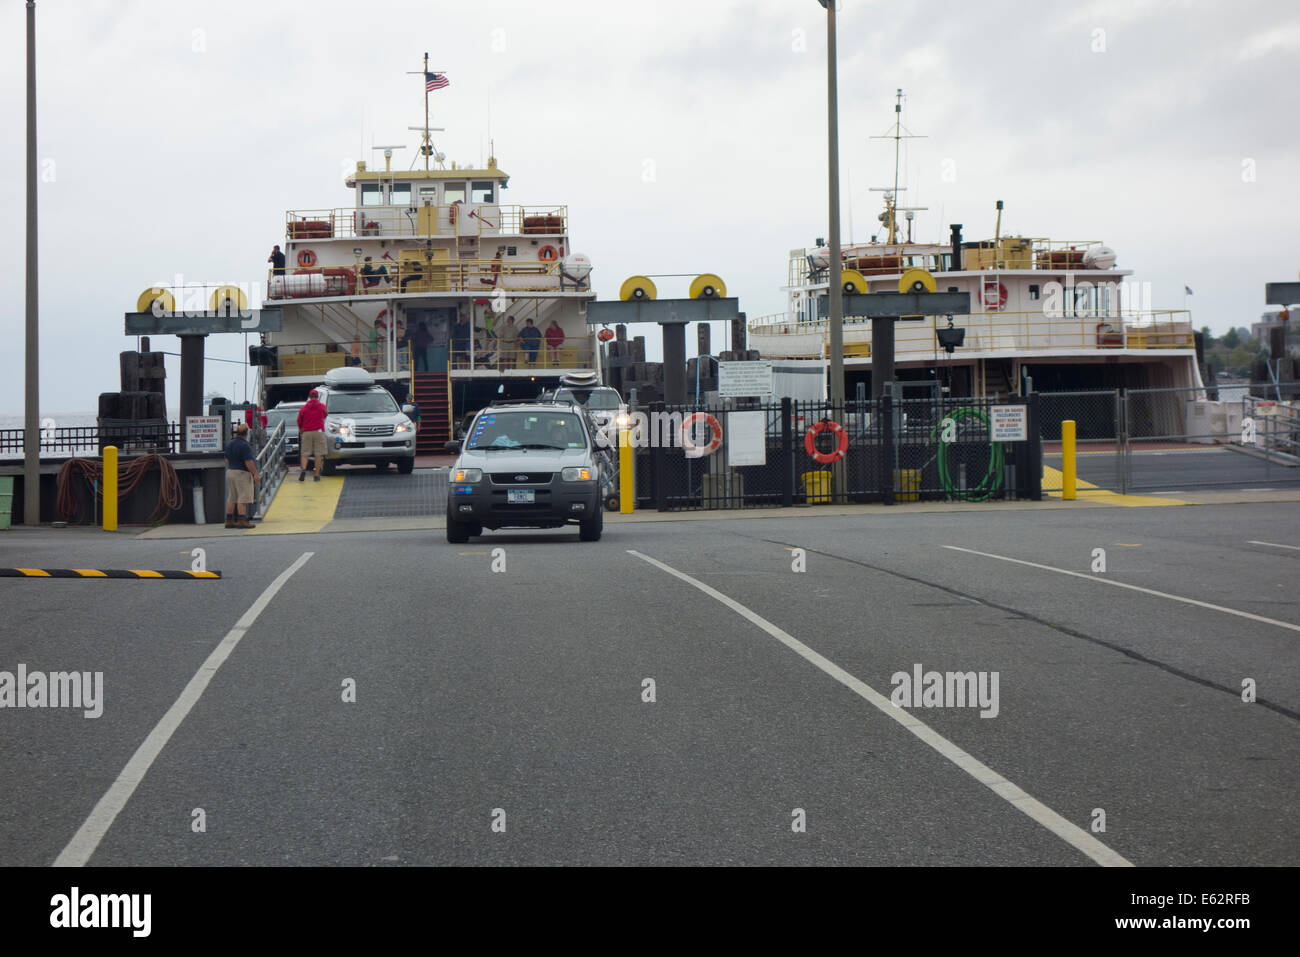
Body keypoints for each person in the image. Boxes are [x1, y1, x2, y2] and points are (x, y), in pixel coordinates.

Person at [224, 423, 260, 528]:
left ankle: (229, 520)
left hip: (231, 471)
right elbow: (248, 461)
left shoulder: (230, 444)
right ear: (246, 433)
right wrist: (255, 474)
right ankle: (242, 520)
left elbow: (226, 459)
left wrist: (232, 466)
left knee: (232, 497)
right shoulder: (245, 445)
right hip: (242, 473)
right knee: (242, 497)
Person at [297, 388, 328, 481]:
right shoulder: (321, 406)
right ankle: (316, 475)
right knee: (318, 454)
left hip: (307, 432)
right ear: (317, 397)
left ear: (310, 397)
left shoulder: (304, 408)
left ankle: (303, 470)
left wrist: (301, 429)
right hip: (318, 432)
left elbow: (299, 420)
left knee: (305, 453)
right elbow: (325, 415)